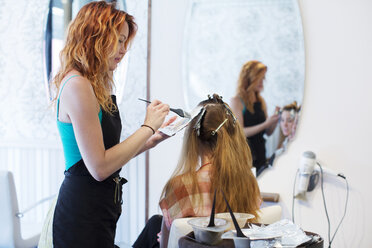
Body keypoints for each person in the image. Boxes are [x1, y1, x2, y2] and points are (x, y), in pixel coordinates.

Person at [50, 2, 171, 247]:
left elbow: (107, 155)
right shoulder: (77, 85)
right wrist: (147, 126)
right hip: (82, 213)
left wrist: (151, 140)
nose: (123, 49)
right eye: (118, 40)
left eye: (125, 41)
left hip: (102, 207)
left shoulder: (95, 85)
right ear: (94, 36)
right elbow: (99, 168)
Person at [157, 94, 262, 248]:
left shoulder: (180, 185)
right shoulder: (249, 184)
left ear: (193, 138)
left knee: (154, 225)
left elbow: (167, 245)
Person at [230, 60, 279, 174]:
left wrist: (274, 121)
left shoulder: (261, 101)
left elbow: (267, 132)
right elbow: (240, 132)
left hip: (261, 153)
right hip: (245, 157)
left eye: (263, 78)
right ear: (249, 78)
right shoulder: (236, 101)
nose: (263, 82)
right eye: (260, 78)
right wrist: (266, 124)